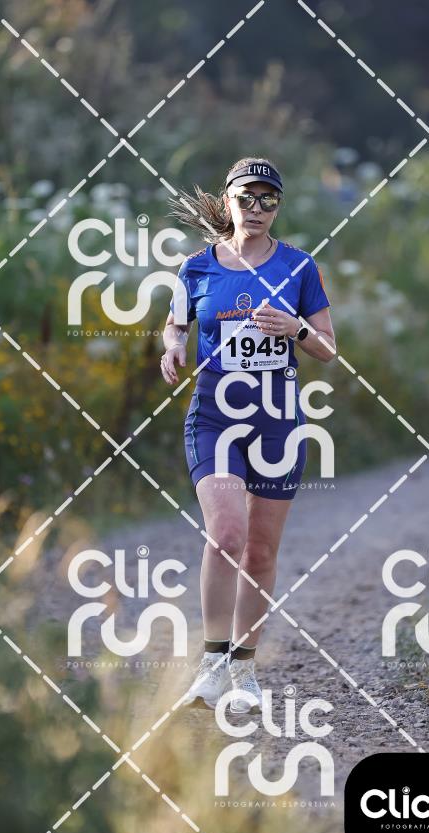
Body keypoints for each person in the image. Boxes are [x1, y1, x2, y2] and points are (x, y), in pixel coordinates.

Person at [160, 157, 335, 713]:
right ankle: (212, 666)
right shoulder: (196, 268)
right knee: (226, 535)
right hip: (215, 416)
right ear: (228, 201)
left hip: (277, 421)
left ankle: (244, 670)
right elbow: (176, 322)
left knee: (259, 551)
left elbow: (328, 348)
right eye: (247, 198)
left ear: (278, 206)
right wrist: (173, 346)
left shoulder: (299, 266)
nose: (257, 209)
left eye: (269, 199)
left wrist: (296, 329)